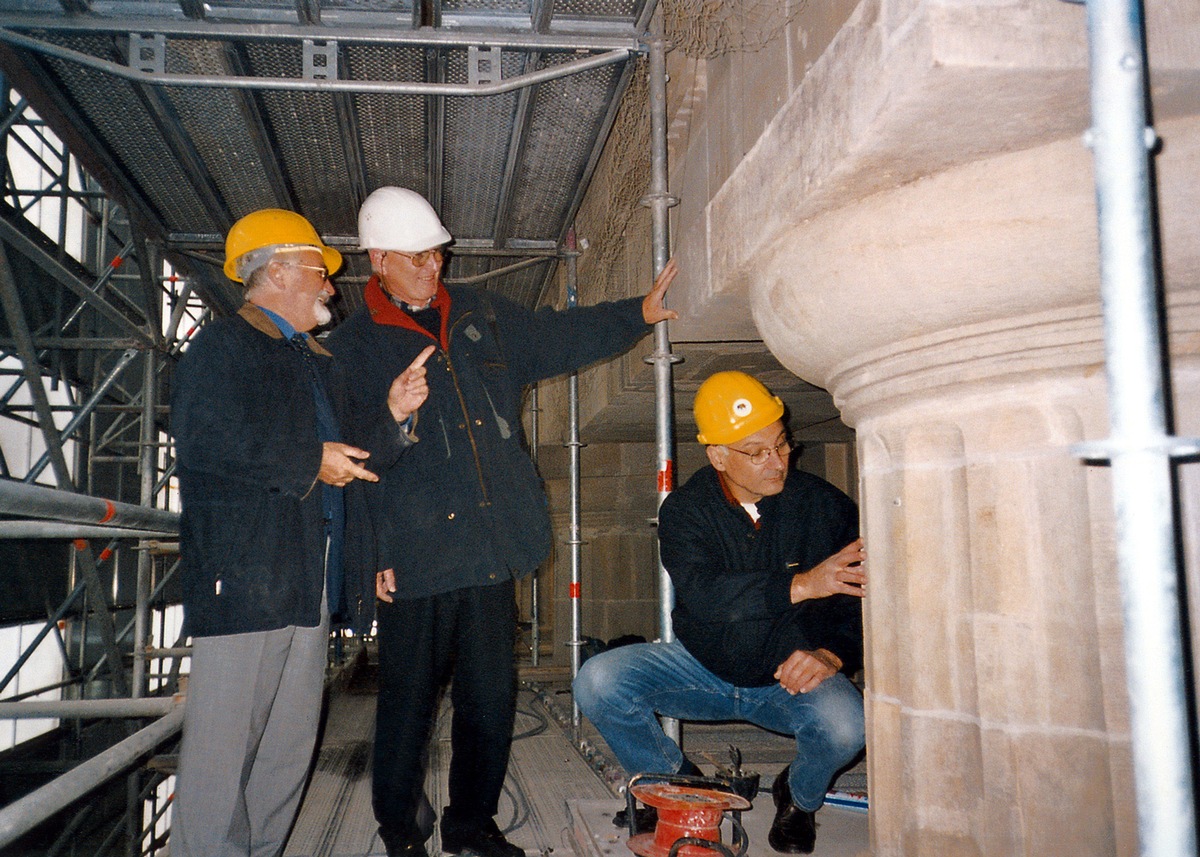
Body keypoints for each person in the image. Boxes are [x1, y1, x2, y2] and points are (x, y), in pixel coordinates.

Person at [327, 186, 678, 857]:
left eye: (438, 253)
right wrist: (393, 418)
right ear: (378, 259)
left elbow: (558, 336)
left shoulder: (481, 315)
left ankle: (471, 826)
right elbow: (345, 458)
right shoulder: (350, 349)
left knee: (489, 702)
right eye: (417, 257)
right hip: (416, 557)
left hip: (490, 547)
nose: (434, 267)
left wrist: (638, 312)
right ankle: (401, 829)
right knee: (407, 707)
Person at [170, 208, 432, 857]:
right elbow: (205, 440)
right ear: (278, 270)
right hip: (246, 579)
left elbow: (348, 453)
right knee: (223, 752)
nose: (331, 287)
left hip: (305, 575)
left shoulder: (315, 361)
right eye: (319, 271)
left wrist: (394, 412)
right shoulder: (224, 346)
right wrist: (307, 459)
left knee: (288, 747)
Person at [573, 370, 867, 855]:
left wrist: (832, 653)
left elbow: (859, 597)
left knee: (848, 726)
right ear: (718, 456)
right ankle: (675, 781)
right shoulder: (686, 511)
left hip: (788, 678)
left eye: (782, 444)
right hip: (701, 668)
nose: (777, 462)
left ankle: (798, 796)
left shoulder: (824, 507)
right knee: (598, 679)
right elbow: (708, 594)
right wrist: (802, 584)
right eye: (757, 452)